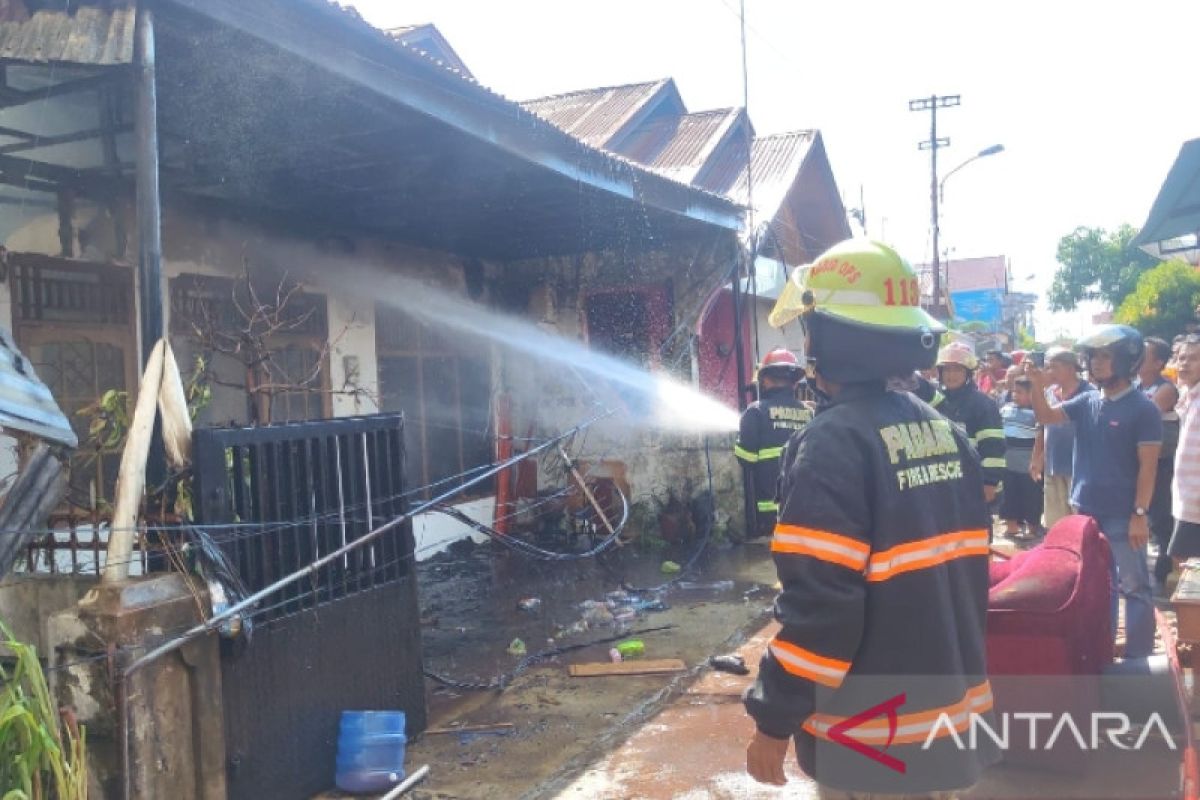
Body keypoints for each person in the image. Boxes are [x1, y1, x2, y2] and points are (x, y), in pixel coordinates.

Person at [745, 238, 998, 798]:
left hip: (872, 738)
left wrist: (773, 719)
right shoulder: (947, 433)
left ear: (835, 339)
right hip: (945, 721)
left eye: (811, 329)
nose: (807, 345)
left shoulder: (832, 445)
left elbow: (822, 609)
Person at [1025, 325, 1162, 659]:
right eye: (1094, 357)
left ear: (1127, 361)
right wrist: (1038, 387)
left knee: (1135, 587)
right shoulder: (1086, 401)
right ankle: (1103, 652)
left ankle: (1139, 658)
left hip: (1123, 516)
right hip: (1085, 512)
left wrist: (1139, 515)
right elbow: (1046, 416)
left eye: (1106, 356)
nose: (1097, 363)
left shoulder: (1144, 409)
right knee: (1100, 586)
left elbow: (1148, 466)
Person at [735, 348, 812, 538]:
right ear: (794, 383)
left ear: (765, 380)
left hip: (772, 510)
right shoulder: (808, 413)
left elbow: (747, 459)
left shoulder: (756, 412)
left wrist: (739, 443)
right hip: (806, 506)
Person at [936, 342, 1006, 504]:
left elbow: (993, 446)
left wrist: (989, 483)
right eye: (947, 369)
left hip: (974, 483)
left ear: (968, 373)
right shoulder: (936, 401)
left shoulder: (982, 404)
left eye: (957, 369)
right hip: (943, 483)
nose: (951, 375)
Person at [1030, 347, 1093, 528]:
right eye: (1048, 367)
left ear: (1072, 368)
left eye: (1055, 367)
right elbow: (1042, 426)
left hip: (1080, 468)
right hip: (1053, 463)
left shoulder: (1088, 393)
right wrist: (1037, 457)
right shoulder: (1049, 393)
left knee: (1080, 521)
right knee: (1055, 523)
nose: (1050, 372)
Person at [1136, 337, 1180, 591]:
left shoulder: (1166, 389)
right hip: (1140, 464)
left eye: (1144, 355)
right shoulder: (1137, 388)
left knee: (1161, 519)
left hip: (1162, 465)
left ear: (1158, 363)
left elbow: (1142, 419)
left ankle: (1164, 574)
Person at [1168, 336, 1200, 566]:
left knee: (1184, 558)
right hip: (1187, 497)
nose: (1185, 364)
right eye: (1181, 358)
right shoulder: (1188, 396)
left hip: (1196, 498)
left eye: (1194, 359)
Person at [999, 377, 1043, 539]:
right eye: (1013, 391)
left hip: (1029, 466)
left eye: (1020, 392)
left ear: (1032, 394)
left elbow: (1041, 438)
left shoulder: (1037, 413)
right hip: (1008, 463)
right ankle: (1012, 528)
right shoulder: (1006, 409)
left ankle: (1032, 529)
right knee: (1010, 496)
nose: (1015, 395)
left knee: (1032, 497)